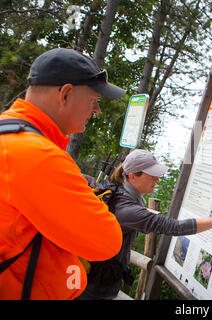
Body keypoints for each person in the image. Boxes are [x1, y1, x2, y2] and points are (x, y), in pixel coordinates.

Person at [0, 48, 127, 299]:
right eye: (94, 101)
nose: (96, 111)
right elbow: (107, 241)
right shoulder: (39, 156)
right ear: (66, 94)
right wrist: (93, 200)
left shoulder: (9, 134)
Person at [77, 149, 212, 300]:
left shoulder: (118, 192)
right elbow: (176, 227)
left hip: (93, 277)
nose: (157, 180)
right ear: (132, 176)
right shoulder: (127, 209)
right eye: (151, 175)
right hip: (95, 286)